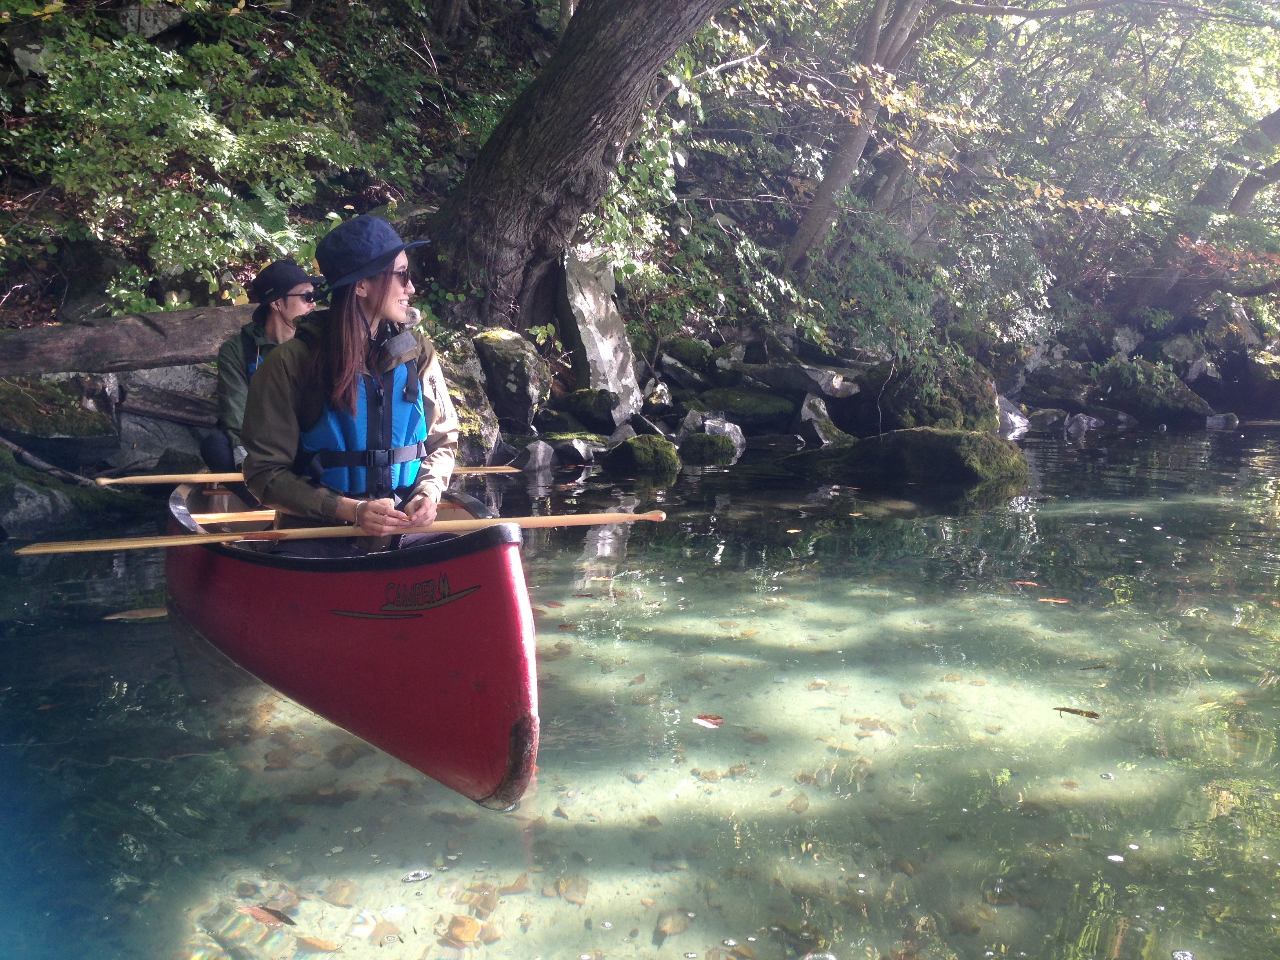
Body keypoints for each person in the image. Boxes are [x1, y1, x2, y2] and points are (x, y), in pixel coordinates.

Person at [240, 216, 458, 552]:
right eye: (401, 275)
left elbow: (443, 442)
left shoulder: (419, 354)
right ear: (361, 286)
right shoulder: (288, 364)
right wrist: (349, 510)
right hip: (316, 535)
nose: (411, 288)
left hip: (401, 530)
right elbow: (264, 474)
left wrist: (428, 492)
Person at [201, 259, 318, 477]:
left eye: (315, 296)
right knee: (216, 447)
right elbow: (235, 409)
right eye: (307, 296)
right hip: (261, 442)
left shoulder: (317, 344)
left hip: (306, 438)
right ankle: (265, 487)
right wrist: (250, 458)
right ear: (276, 303)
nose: (314, 303)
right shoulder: (237, 350)